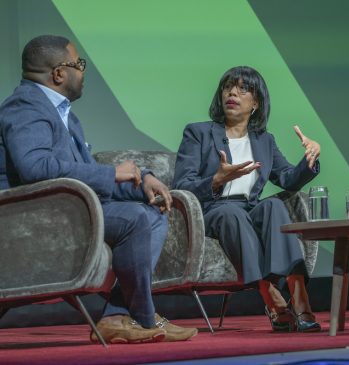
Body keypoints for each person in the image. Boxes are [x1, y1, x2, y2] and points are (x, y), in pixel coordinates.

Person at [0, 35, 197, 343]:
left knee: (152, 212)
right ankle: (139, 318)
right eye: (79, 64)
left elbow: (89, 181)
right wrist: (112, 172)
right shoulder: (25, 105)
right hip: (33, 218)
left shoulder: (66, 116)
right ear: (59, 73)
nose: (83, 71)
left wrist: (141, 184)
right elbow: (34, 168)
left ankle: (120, 317)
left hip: (67, 208)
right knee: (139, 220)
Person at [173, 66, 321, 332]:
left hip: (248, 208)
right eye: (228, 87)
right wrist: (216, 180)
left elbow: (286, 178)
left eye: (243, 88)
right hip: (213, 209)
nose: (232, 92)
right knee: (233, 214)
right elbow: (181, 185)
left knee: (274, 205)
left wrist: (309, 161)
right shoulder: (198, 133)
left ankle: (300, 299)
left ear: (256, 103)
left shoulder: (264, 140)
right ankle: (272, 298)